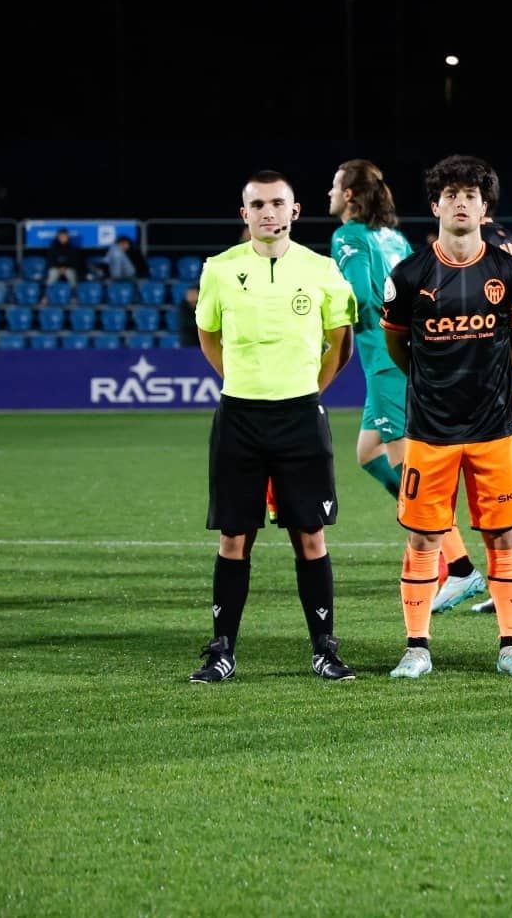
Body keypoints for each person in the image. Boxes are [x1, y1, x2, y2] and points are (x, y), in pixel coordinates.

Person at [188, 170, 358, 684]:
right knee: (233, 537)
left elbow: (341, 342)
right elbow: (208, 335)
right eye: (258, 205)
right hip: (239, 417)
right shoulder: (219, 269)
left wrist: (308, 390)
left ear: (295, 210)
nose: (268, 212)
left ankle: (325, 649)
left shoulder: (322, 269)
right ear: (245, 214)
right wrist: (240, 381)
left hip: (300, 416)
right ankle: (222, 652)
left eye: (277, 203)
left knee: (310, 535)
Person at [381, 154, 512, 678]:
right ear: (435, 206)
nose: (461, 203)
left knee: (504, 537)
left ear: (484, 206)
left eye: (471, 195)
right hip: (430, 429)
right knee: (424, 539)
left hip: (493, 427)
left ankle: (511, 646)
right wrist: (436, 381)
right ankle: (417, 648)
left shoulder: (511, 272)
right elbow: (398, 347)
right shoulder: (408, 276)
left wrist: (485, 382)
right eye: (451, 195)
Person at [439, 198, 512, 616]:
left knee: (493, 488)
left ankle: (503, 582)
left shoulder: (481, 249)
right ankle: (507, 579)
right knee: (506, 484)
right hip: (509, 380)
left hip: (483, 383)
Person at [328, 159, 415, 505]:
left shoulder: (347, 235)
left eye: (335, 186)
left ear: (349, 195)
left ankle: (438, 533)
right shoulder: (396, 239)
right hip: (407, 350)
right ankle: (420, 517)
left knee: (403, 458)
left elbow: (361, 296)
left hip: (384, 358)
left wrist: (327, 319)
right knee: (368, 452)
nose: (330, 193)